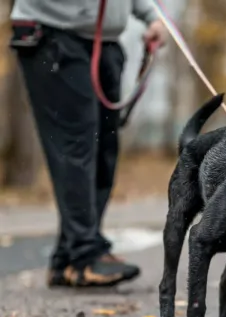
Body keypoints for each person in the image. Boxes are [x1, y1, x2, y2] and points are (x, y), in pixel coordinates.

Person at [10, 1, 167, 287]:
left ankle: (67, 258)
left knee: (104, 151)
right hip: (53, 35)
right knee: (76, 146)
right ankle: (84, 255)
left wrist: (151, 16)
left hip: (104, 41)